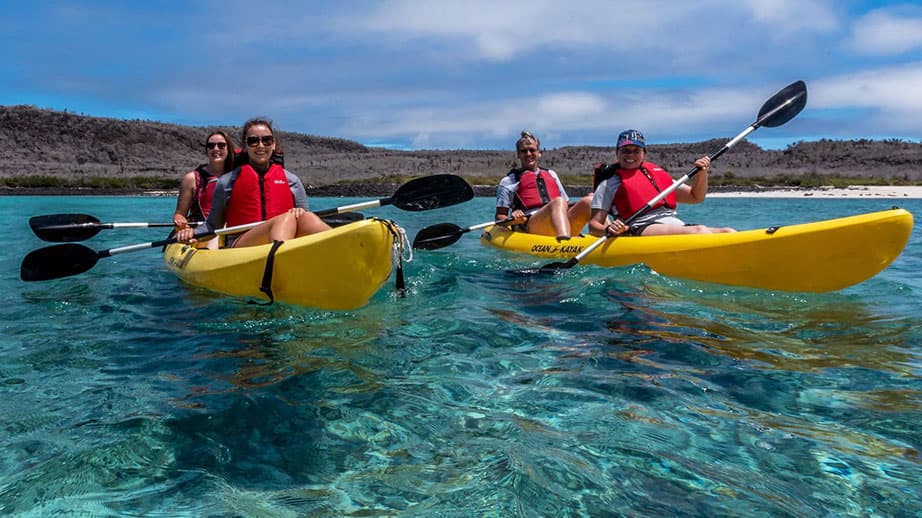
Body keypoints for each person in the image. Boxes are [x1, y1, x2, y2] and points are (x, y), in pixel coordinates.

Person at [176, 118, 331, 248]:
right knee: (286, 218)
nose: (261, 145)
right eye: (253, 141)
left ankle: (344, 250)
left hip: (284, 239)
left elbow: (303, 218)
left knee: (308, 218)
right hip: (242, 244)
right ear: (245, 146)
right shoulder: (227, 182)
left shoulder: (292, 181)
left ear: (274, 144)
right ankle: (281, 267)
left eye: (266, 140)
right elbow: (212, 226)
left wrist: (299, 213)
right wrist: (191, 232)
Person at [589, 129, 735, 237]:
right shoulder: (609, 184)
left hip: (673, 224)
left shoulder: (656, 176)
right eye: (626, 150)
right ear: (617, 153)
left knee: (728, 232)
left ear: (644, 154)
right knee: (700, 231)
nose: (630, 155)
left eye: (636, 150)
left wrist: (702, 173)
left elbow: (695, 197)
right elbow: (594, 226)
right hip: (640, 227)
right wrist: (609, 230)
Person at [495, 131, 592, 240]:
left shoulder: (551, 174)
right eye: (523, 151)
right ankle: (565, 241)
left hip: (559, 220)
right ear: (518, 154)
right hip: (531, 224)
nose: (528, 154)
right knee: (558, 201)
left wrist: (582, 202)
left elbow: (566, 204)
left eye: (532, 150)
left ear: (539, 153)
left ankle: (607, 234)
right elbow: (499, 217)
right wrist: (514, 219)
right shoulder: (508, 181)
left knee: (589, 201)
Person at [172, 130, 236, 248]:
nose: (216, 149)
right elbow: (180, 214)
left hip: (231, 230)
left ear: (228, 148)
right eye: (211, 146)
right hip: (203, 230)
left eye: (221, 145)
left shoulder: (238, 175)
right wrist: (180, 220)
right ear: (206, 150)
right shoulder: (191, 179)